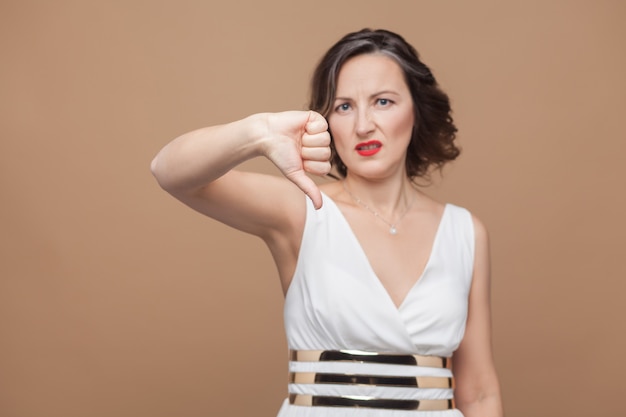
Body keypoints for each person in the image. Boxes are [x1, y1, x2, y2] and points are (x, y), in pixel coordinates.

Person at [151, 28, 503, 417]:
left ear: (416, 110)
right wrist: (260, 133)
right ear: (326, 122)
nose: (363, 125)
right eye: (344, 107)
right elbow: (170, 172)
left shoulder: (465, 233)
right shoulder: (303, 210)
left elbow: (480, 391)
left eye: (383, 101)